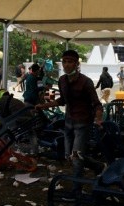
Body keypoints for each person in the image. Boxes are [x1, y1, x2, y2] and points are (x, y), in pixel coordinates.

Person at [36, 50, 105, 184]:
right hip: (69, 122)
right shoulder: (62, 80)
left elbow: (96, 103)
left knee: (76, 158)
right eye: (64, 62)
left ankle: (76, 190)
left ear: (76, 64)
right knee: (69, 155)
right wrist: (43, 106)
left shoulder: (86, 82)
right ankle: (99, 166)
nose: (66, 65)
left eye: (70, 62)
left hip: (83, 123)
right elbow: (62, 100)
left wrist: (98, 119)